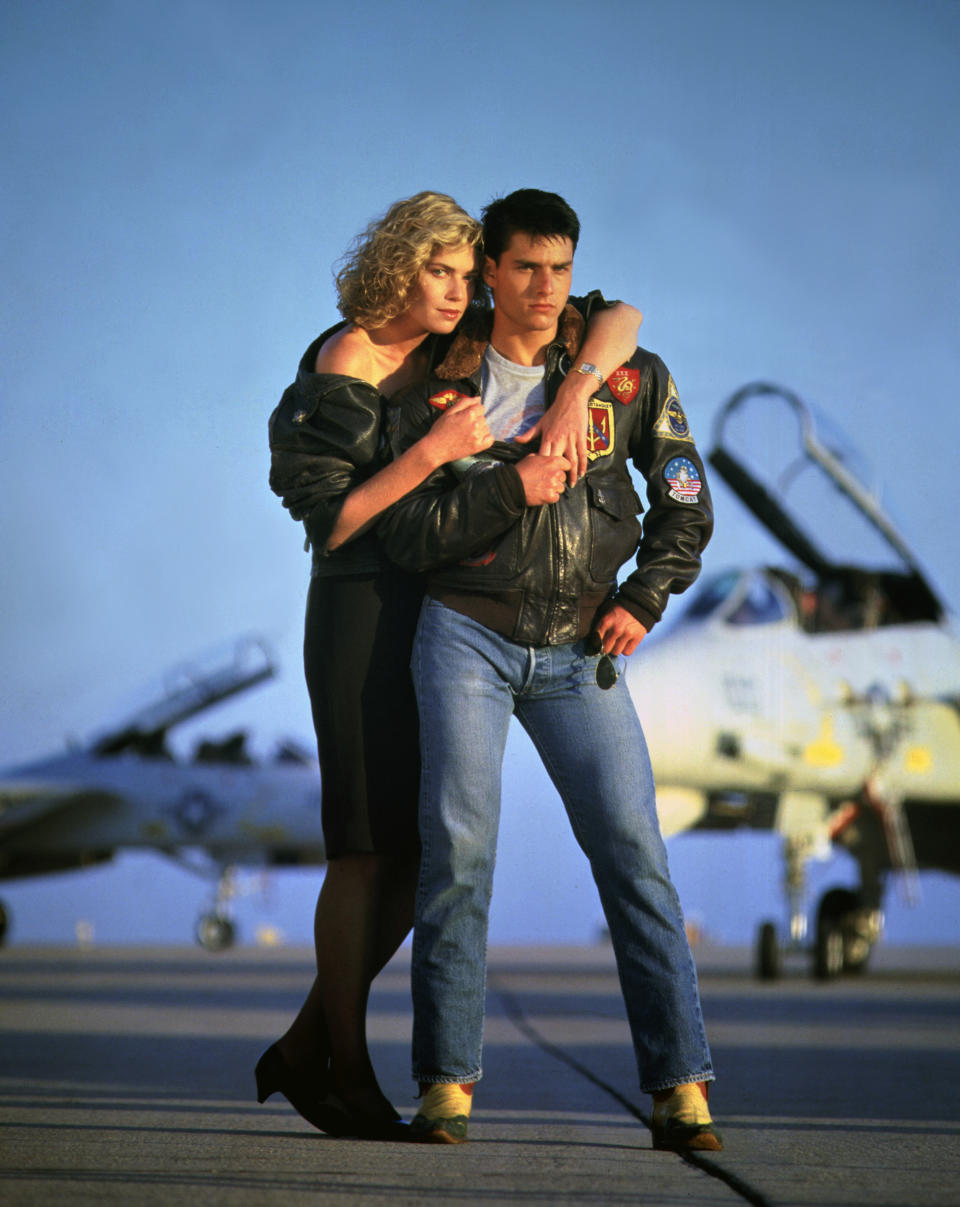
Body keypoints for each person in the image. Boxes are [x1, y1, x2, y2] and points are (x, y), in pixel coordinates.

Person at [262, 191, 644, 1140]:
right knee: (362, 845)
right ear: (399, 264)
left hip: (430, 603)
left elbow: (624, 317)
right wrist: (434, 448)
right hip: (359, 608)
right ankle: (341, 1065)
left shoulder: (453, 339)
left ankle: (310, 1042)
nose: (463, 292)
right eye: (443, 272)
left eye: (471, 276)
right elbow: (335, 521)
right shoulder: (347, 355)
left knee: (416, 848)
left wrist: (573, 389)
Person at [379, 189, 721, 1151]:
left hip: (582, 650)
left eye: (560, 269)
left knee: (634, 856)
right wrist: (510, 488)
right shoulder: (433, 381)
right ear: (490, 269)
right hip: (464, 634)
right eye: (525, 267)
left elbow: (687, 501)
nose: (543, 287)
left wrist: (644, 598)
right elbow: (408, 532)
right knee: (460, 855)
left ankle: (681, 1088)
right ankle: (446, 1085)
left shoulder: (626, 375)